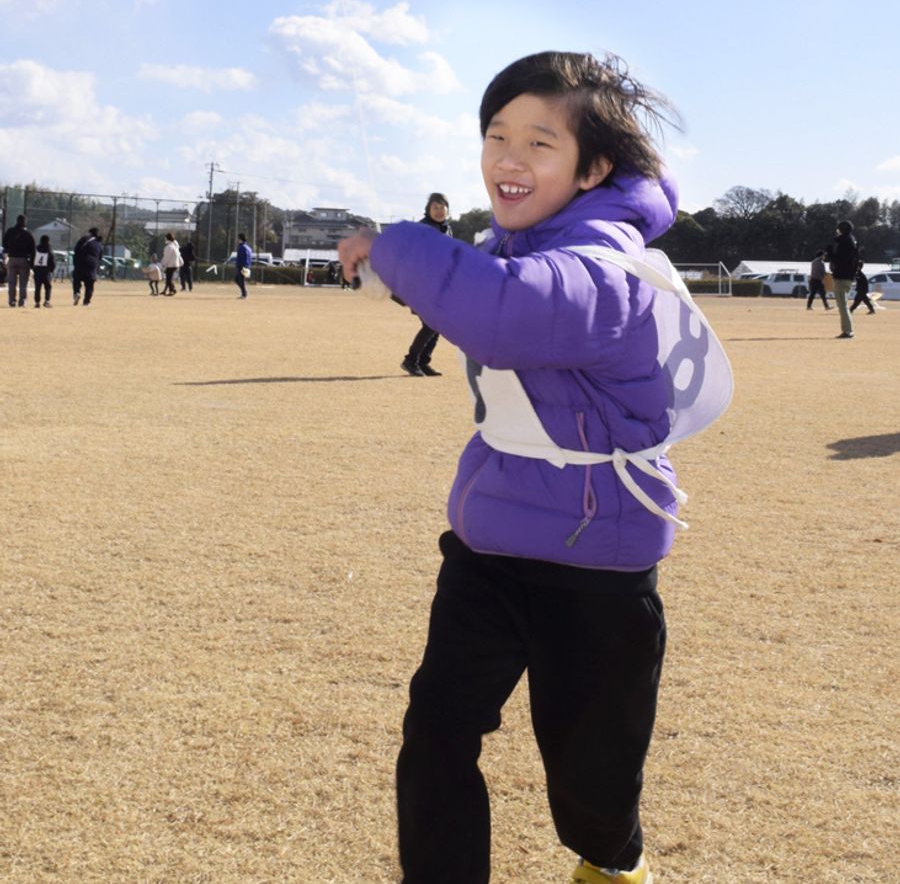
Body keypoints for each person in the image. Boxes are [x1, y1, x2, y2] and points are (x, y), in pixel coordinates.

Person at [339, 51, 730, 884]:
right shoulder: (514, 244)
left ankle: (613, 864)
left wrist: (398, 247)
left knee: (590, 776)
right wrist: (411, 278)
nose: (508, 159)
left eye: (540, 142)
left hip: (595, 561)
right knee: (437, 731)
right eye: (495, 134)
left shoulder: (607, 264)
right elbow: (489, 296)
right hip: (489, 544)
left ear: (593, 169)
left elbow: (515, 314)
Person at [401, 192, 453, 376]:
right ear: (428, 210)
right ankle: (411, 360)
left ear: (448, 209)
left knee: (436, 324)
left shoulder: (445, 229)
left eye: (442, 207)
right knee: (431, 324)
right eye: (435, 208)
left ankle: (423, 362)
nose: (439, 211)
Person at [826, 220, 860, 339]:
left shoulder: (845, 243)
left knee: (842, 304)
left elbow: (841, 260)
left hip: (842, 276)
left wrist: (830, 253)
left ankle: (848, 331)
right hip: (847, 276)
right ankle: (848, 329)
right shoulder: (851, 241)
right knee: (843, 304)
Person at [3, 213, 35, 308]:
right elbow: (33, 249)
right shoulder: (28, 234)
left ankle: (11, 300)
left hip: (12, 258)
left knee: (11, 282)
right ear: (25, 222)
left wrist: (9, 251)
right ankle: (22, 301)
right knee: (23, 282)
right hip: (24, 259)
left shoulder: (10, 231)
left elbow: (4, 243)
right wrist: (32, 262)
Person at [72, 227, 103, 306]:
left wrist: (75, 262)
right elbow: (100, 257)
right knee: (89, 284)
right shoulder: (99, 243)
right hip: (92, 264)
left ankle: (77, 292)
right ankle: (86, 301)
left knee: (76, 280)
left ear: (90, 233)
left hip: (80, 262)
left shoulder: (83, 239)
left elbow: (76, 250)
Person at [33, 235, 56, 308]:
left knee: (37, 287)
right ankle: (47, 301)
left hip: (37, 271)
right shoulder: (49, 249)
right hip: (46, 271)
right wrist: (52, 269)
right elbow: (52, 260)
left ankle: (37, 302)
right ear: (48, 241)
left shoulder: (36, 249)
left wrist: (33, 268)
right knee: (48, 287)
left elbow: (32, 259)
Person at [235, 233, 252, 298]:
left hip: (242, 266)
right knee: (238, 279)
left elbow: (240, 258)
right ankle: (244, 292)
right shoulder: (248, 248)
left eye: (238, 238)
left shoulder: (241, 247)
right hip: (247, 266)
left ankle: (244, 294)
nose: (237, 240)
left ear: (240, 239)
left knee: (240, 280)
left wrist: (239, 265)